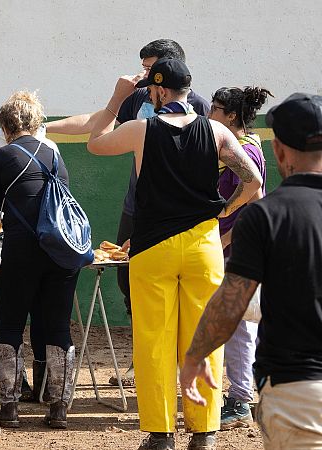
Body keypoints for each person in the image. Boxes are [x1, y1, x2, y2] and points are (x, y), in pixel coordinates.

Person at [86, 58, 262, 450]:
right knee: (203, 340)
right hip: (203, 247)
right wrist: (223, 210)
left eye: (151, 89)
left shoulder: (141, 130)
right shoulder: (216, 131)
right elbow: (254, 183)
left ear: (160, 91)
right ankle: (204, 432)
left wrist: (116, 100)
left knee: (154, 341)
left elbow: (94, 143)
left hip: (153, 249)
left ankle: (162, 432)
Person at [46, 39, 210, 387]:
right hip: (138, 207)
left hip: (178, 219)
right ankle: (145, 364)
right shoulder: (139, 96)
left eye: (150, 69)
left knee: (176, 291)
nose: (143, 75)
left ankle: (182, 367)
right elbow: (97, 122)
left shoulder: (196, 107)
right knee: (130, 282)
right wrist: (44, 127)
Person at [181, 93, 322, 449]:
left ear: (279, 152)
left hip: (297, 388)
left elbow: (231, 302)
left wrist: (196, 357)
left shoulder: (266, 216)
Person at [0, 91, 77, 429]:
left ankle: (9, 409)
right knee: (59, 326)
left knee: (12, 326)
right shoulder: (55, 156)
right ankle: (59, 409)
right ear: (35, 123)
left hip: (21, 252)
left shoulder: (0, 157)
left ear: (4, 128)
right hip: (60, 253)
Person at [208, 86, 273, 430]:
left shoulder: (243, 152)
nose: (210, 115)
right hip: (236, 249)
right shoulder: (242, 148)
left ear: (231, 116)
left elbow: (254, 202)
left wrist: (223, 238)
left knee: (240, 327)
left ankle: (240, 400)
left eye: (215, 109)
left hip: (237, 250)